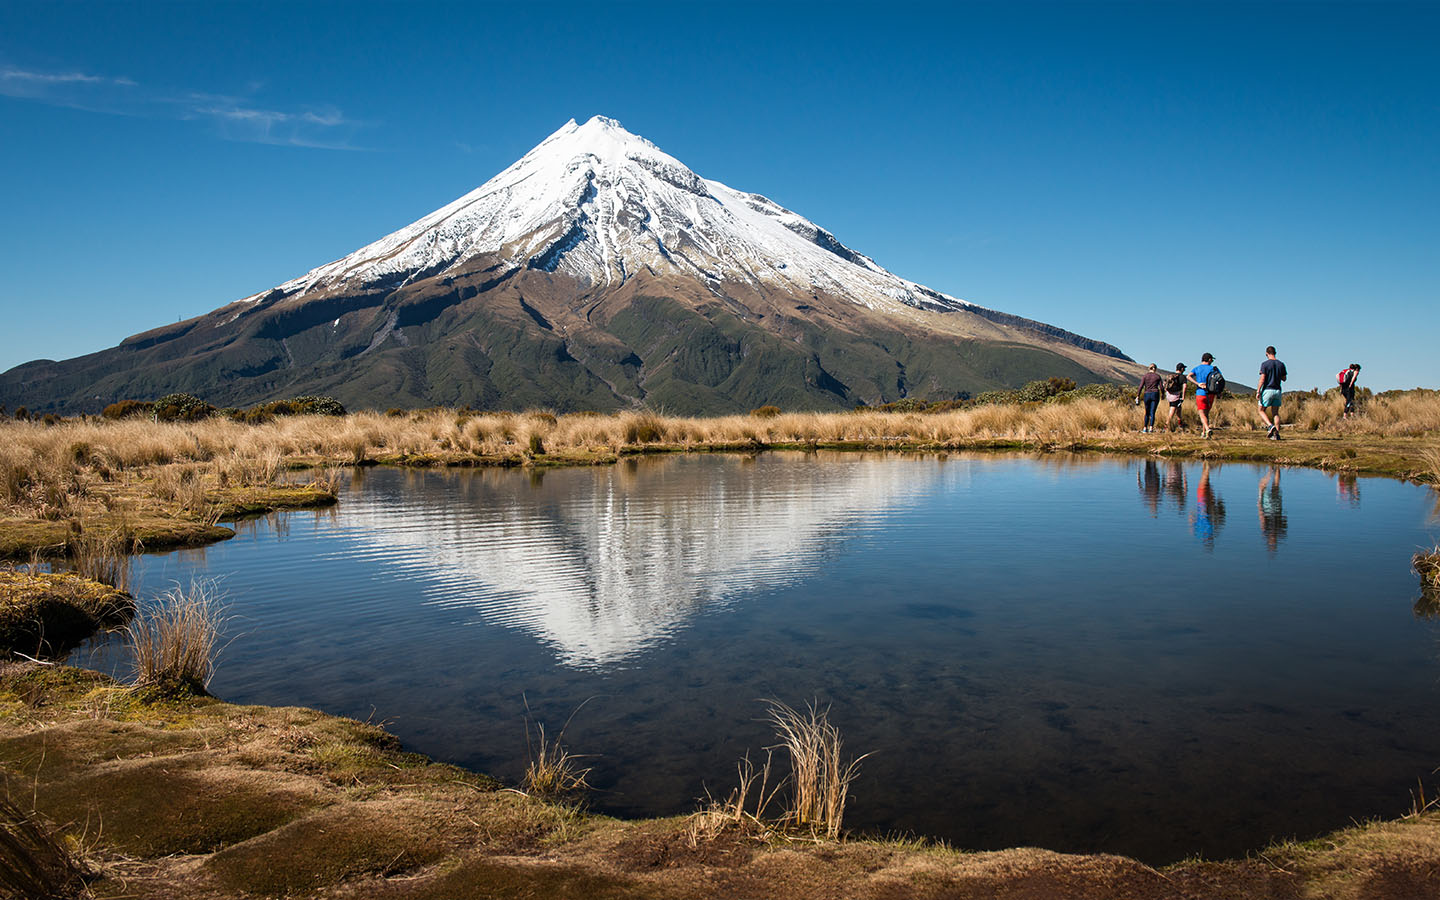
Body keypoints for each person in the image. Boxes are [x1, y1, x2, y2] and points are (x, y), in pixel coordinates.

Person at [1187, 353, 1222, 439]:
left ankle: (1207, 429)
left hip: (1200, 393)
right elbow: (1220, 379)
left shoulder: (1197, 368)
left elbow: (1188, 376)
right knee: (1206, 414)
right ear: (1209, 359)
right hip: (1211, 393)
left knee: (1202, 414)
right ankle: (1204, 433)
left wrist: (1198, 383)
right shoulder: (1214, 369)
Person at [1256, 346, 1287, 440]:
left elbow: (1262, 379)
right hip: (1277, 390)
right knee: (1275, 413)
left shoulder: (1265, 364)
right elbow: (1284, 378)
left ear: (1266, 353)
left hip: (1268, 389)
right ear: (1275, 352)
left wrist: (1258, 391)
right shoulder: (1281, 364)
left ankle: (1270, 426)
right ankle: (1277, 434)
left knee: (1261, 410)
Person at [1135, 364, 1164, 433]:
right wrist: (1163, 394)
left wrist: (1138, 395)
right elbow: (1161, 387)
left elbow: (1141, 386)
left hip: (1147, 394)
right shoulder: (1157, 376)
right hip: (1155, 394)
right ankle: (1151, 428)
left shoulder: (1145, 376)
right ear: (1155, 369)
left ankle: (1145, 428)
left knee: (1147, 412)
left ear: (1149, 368)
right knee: (1152, 412)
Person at [1163, 363, 1188, 432]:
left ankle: (1180, 424)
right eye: (1184, 368)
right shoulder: (1183, 377)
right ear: (1182, 369)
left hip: (1169, 395)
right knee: (1172, 411)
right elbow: (1185, 387)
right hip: (1176, 396)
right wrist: (1183, 396)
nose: (1185, 369)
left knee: (1179, 409)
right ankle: (1166, 426)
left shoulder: (1171, 376)